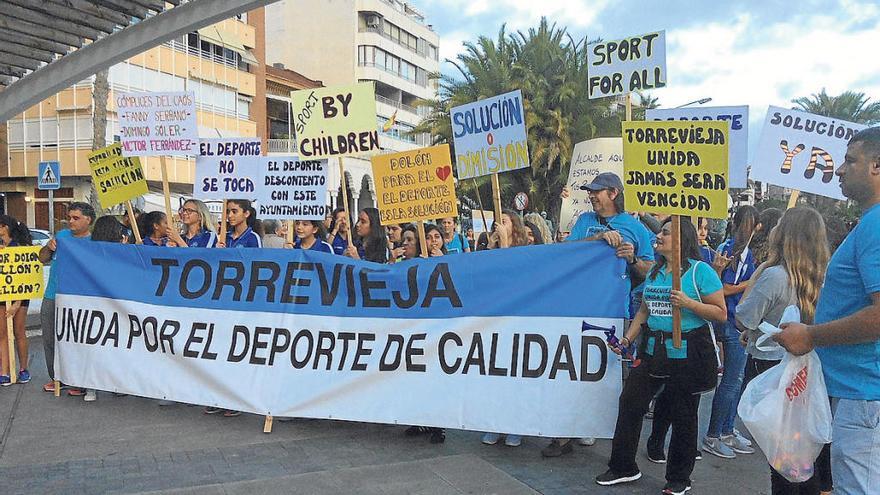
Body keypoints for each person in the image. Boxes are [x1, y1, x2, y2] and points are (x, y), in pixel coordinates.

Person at [775, 127, 880, 495]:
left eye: (850, 161)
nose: (839, 170)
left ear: (876, 166)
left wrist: (811, 335)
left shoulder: (876, 225)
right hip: (859, 391)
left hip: (864, 394)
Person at [596, 218, 726, 495]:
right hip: (654, 349)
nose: (659, 236)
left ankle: (679, 478)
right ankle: (622, 466)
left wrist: (689, 304)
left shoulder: (699, 272)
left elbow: (720, 313)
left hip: (688, 352)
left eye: (666, 232)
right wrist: (627, 339)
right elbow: (644, 310)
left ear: (682, 239)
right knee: (631, 401)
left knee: (683, 414)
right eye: (660, 232)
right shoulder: (656, 271)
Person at [736, 207, 832, 494]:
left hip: (772, 371)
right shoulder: (823, 277)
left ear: (785, 234)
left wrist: (757, 274)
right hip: (809, 375)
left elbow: (744, 317)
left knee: (781, 460)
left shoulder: (775, 275)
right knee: (804, 457)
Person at [703, 205, 759, 459]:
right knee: (730, 381)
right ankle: (714, 434)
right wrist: (754, 280)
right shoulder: (730, 250)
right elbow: (724, 289)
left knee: (736, 381)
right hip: (732, 321)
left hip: (738, 321)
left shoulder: (744, 251)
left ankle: (726, 429)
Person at [38, 202, 94, 394]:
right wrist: (48, 247)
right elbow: (42, 258)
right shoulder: (61, 236)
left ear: (88, 220)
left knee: (77, 340)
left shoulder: (94, 242)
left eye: (76, 218)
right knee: (49, 338)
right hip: (52, 294)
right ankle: (57, 378)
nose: (71, 221)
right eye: (69, 217)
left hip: (79, 299)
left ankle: (79, 380)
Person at [0, 215, 33, 387]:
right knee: (2, 333)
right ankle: (4, 371)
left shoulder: (19, 247)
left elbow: (24, 276)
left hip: (19, 295)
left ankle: (23, 368)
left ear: (4, 227)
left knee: (19, 331)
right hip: (2, 294)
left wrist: (17, 303)